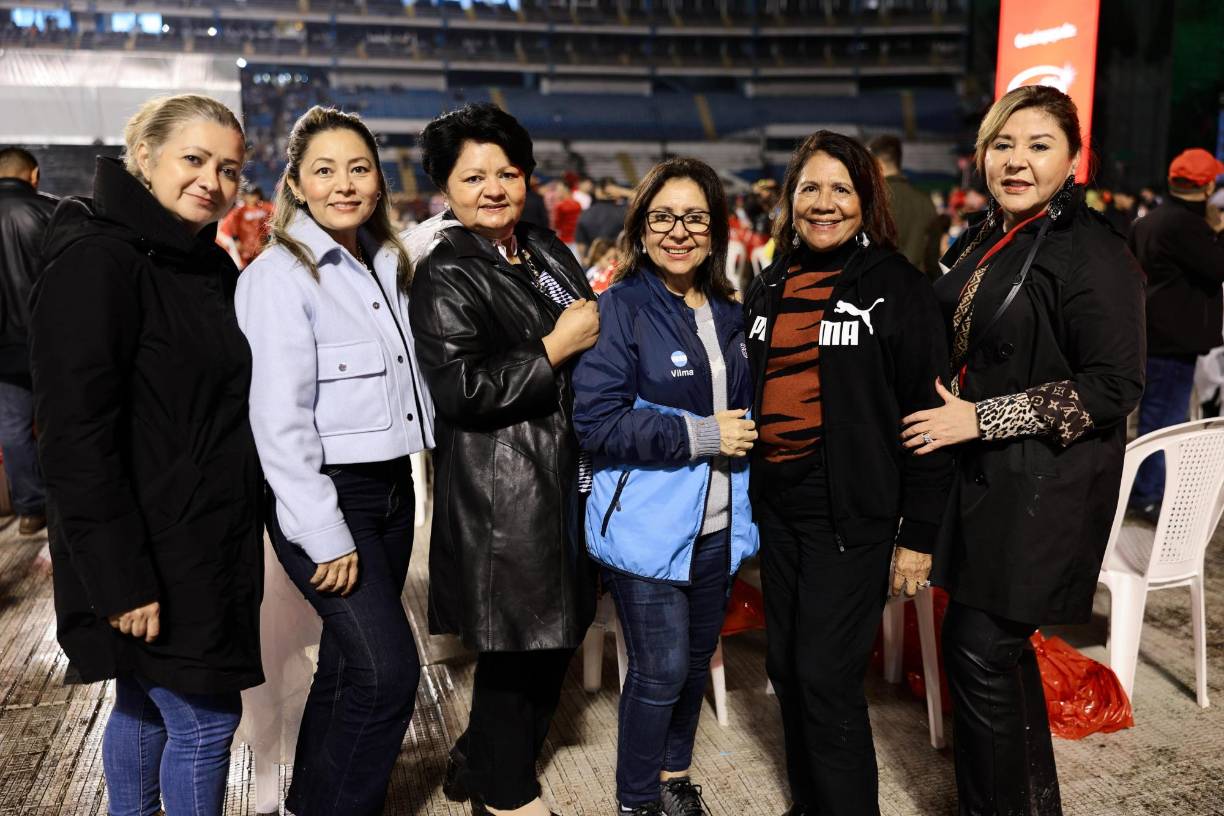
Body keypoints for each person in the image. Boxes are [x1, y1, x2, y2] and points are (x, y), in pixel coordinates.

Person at [901, 85, 1145, 815]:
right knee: (993, 657)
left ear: (1073, 159)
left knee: (980, 649)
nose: (1016, 161)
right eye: (1003, 144)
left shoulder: (1093, 249)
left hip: (1047, 484)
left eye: (1039, 145)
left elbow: (1115, 384)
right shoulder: (984, 233)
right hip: (987, 478)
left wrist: (983, 418)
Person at [29, 94, 263, 816]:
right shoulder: (97, 261)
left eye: (229, 168)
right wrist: (120, 578)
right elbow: (73, 437)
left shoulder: (203, 262)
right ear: (144, 157)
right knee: (206, 720)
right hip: (147, 549)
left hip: (200, 536)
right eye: (194, 159)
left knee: (145, 704)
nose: (212, 181)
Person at [743, 130, 952, 816]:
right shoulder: (770, 281)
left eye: (841, 188)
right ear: (790, 199)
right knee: (785, 668)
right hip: (779, 510)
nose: (824, 203)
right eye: (810, 188)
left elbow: (929, 419)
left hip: (852, 513)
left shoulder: (898, 287)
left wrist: (917, 536)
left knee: (825, 678)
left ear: (867, 200)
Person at [235, 106, 433, 816]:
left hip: (393, 489)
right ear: (296, 183)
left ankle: (310, 804)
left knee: (350, 667)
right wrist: (323, 530)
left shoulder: (387, 265)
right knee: (388, 674)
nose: (344, 184)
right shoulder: (279, 278)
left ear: (379, 180)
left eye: (359, 168)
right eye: (324, 170)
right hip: (328, 496)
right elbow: (277, 422)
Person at [408, 102, 599, 816]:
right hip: (505, 487)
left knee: (555, 640)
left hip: (564, 473)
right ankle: (506, 792)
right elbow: (461, 390)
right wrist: (554, 348)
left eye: (508, 173)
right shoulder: (446, 273)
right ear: (445, 189)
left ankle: (475, 763)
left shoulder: (542, 247)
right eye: (473, 177)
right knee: (521, 648)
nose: (493, 189)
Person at [573, 157, 760, 816]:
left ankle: (674, 778)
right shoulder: (619, 308)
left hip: (718, 524)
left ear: (716, 230)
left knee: (696, 659)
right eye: (663, 217)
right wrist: (702, 435)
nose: (678, 231)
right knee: (660, 669)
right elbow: (598, 422)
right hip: (646, 528)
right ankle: (636, 802)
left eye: (694, 218)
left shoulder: (732, 312)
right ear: (640, 228)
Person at [1126, 148, 1224, 520]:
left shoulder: (1149, 221)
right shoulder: (1186, 225)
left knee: (1157, 417)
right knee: (1164, 421)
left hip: (1152, 333)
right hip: (1173, 340)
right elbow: (1218, 267)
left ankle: (1147, 490)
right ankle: (1148, 495)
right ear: (1207, 187)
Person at [0, 146, 56, 534]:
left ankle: (31, 508)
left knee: (12, 426)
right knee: (63, 421)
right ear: (33, 175)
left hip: (3, 351)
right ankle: (71, 501)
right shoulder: (50, 212)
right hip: (51, 340)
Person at [867, 134, 941, 280]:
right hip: (915, 285)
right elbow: (932, 261)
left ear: (877, 164)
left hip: (878, 285)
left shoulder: (871, 201)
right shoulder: (926, 202)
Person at [218, 184, 274, 268]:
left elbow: (275, 215)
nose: (252, 198)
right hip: (244, 243)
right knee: (243, 265)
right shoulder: (239, 210)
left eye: (254, 195)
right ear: (244, 196)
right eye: (249, 195)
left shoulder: (264, 207)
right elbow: (230, 225)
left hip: (260, 243)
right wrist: (236, 239)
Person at [575, 176, 628, 258]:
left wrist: (585, 261)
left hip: (594, 260)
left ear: (597, 191)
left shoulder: (585, 214)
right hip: (620, 260)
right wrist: (624, 192)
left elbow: (581, 246)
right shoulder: (626, 211)